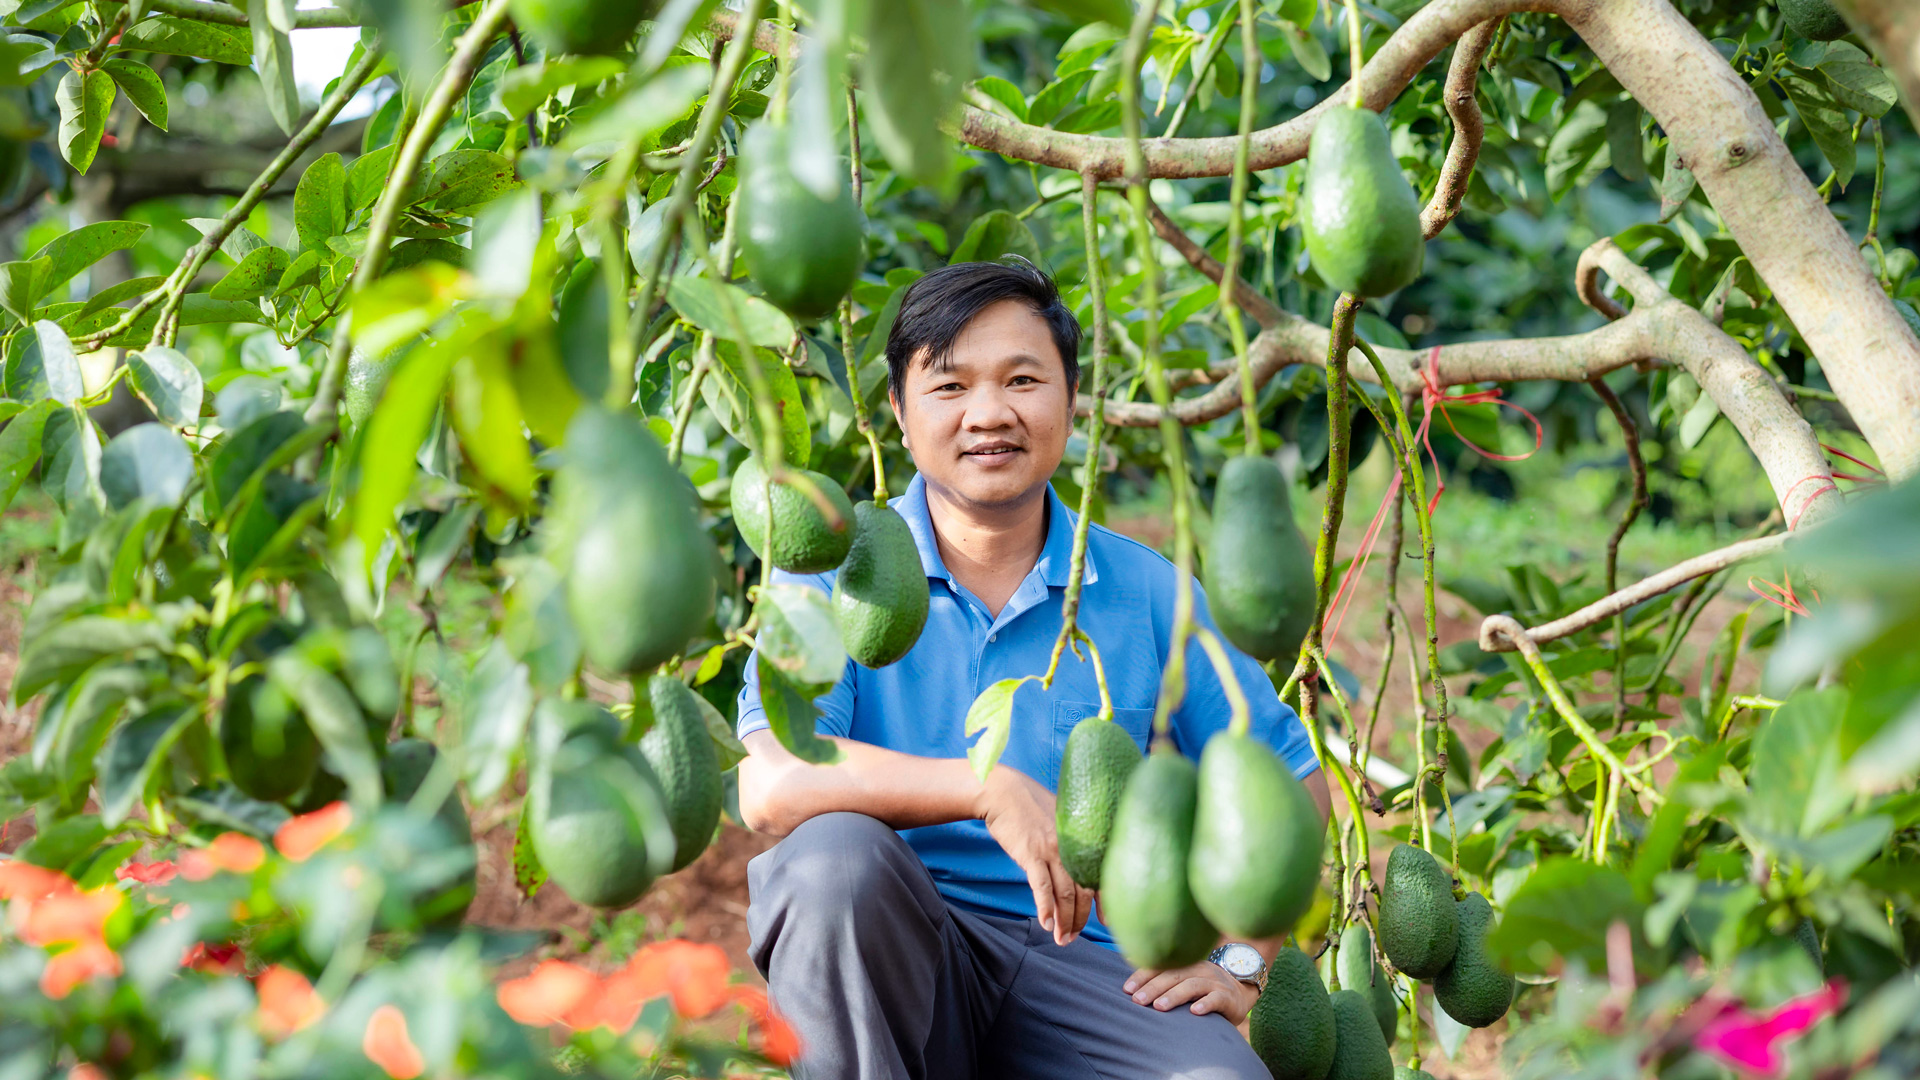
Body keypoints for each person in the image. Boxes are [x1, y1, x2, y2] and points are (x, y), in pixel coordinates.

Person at [735, 260, 1332, 1080]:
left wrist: (1242, 963)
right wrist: (985, 786)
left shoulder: (1148, 592)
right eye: (949, 387)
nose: (990, 414)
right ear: (902, 417)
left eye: (1023, 379)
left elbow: (1291, 785)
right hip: (895, 951)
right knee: (832, 862)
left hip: (1087, 965)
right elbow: (768, 783)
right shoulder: (832, 580)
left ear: (1071, 402)